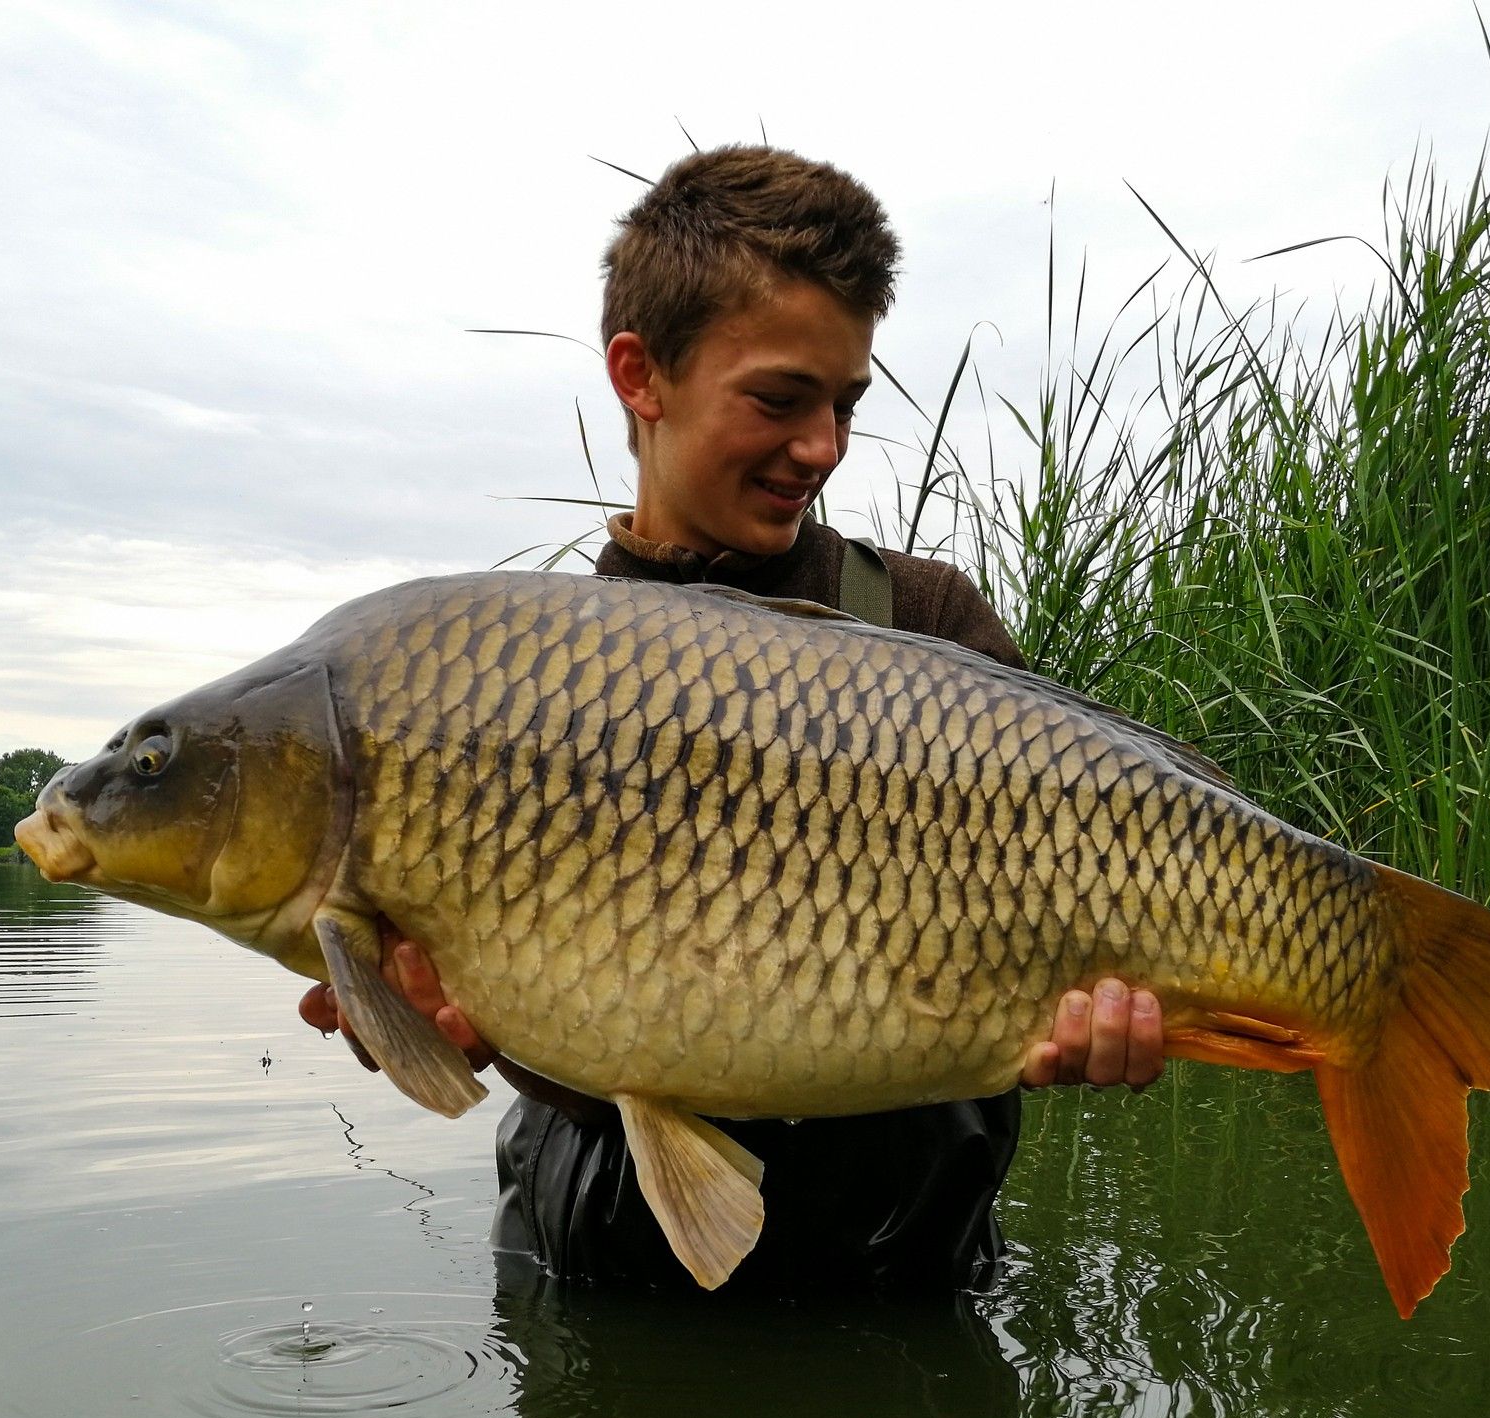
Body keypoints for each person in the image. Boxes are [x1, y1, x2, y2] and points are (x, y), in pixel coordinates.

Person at [298, 146, 1164, 1292]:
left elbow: (1060, 949)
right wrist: (458, 1028)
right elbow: (599, 1019)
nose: (823, 448)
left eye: (846, 403)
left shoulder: (925, 622)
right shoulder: (514, 686)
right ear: (640, 375)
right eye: (779, 399)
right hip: (616, 1269)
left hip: (907, 1271)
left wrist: (1101, 1026)